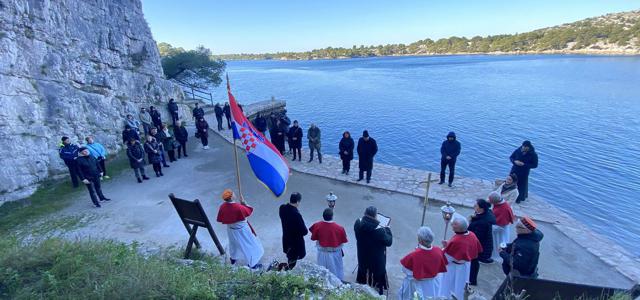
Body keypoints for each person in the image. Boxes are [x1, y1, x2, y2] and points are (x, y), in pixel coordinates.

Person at [216, 189, 264, 268]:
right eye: (233, 193)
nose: (235, 194)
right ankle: (253, 263)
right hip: (242, 230)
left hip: (231, 230)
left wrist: (242, 204)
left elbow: (220, 218)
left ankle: (233, 259)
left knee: (233, 245)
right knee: (249, 244)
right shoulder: (238, 207)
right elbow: (249, 211)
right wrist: (244, 203)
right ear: (231, 197)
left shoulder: (222, 207)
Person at [439, 214, 482, 300]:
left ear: (459, 228)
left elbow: (447, 258)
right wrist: (448, 245)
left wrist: (443, 249)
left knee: (447, 286)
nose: (452, 225)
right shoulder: (472, 235)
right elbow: (469, 249)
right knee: (461, 287)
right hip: (465, 266)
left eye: (454, 224)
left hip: (454, 268)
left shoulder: (456, 241)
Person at [398, 226, 448, 300]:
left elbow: (405, 270)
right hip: (432, 285)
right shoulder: (438, 251)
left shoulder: (414, 255)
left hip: (417, 285)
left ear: (420, 240)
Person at [354, 206, 393, 295]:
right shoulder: (380, 231)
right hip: (376, 260)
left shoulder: (357, 223)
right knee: (376, 273)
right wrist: (388, 229)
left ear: (365, 213)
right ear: (375, 216)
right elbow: (389, 242)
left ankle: (362, 286)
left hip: (362, 254)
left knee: (363, 269)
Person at [309, 208, 348, 280]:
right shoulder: (339, 228)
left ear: (323, 216)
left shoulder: (317, 225)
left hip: (322, 253)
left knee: (322, 271)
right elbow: (343, 240)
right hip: (334, 254)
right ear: (332, 216)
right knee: (336, 271)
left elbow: (313, 234)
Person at [468, 199, 497, 287]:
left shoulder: (483, 222)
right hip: (482, 244)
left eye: (476, 206)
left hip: (480, 246)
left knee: (474, 262)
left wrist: (470, 223)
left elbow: (477, 236)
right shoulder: (486, 214)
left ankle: (472, 280)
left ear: (481, 209)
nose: (474, 207)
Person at [279, 192, 308, 270]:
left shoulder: (282, 208)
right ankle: (288, 273)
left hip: (286, 239)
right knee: (292, 261)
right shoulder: (296, 214)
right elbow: (305, 231)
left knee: (290, 257)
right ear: (298, 202)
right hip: (295, 243)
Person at [489, 191, 516, 261]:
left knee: (497, 243)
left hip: (499, 230)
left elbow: (501, 223)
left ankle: (497, 255)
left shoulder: (504, 209)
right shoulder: (502, 204)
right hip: (499, 228)